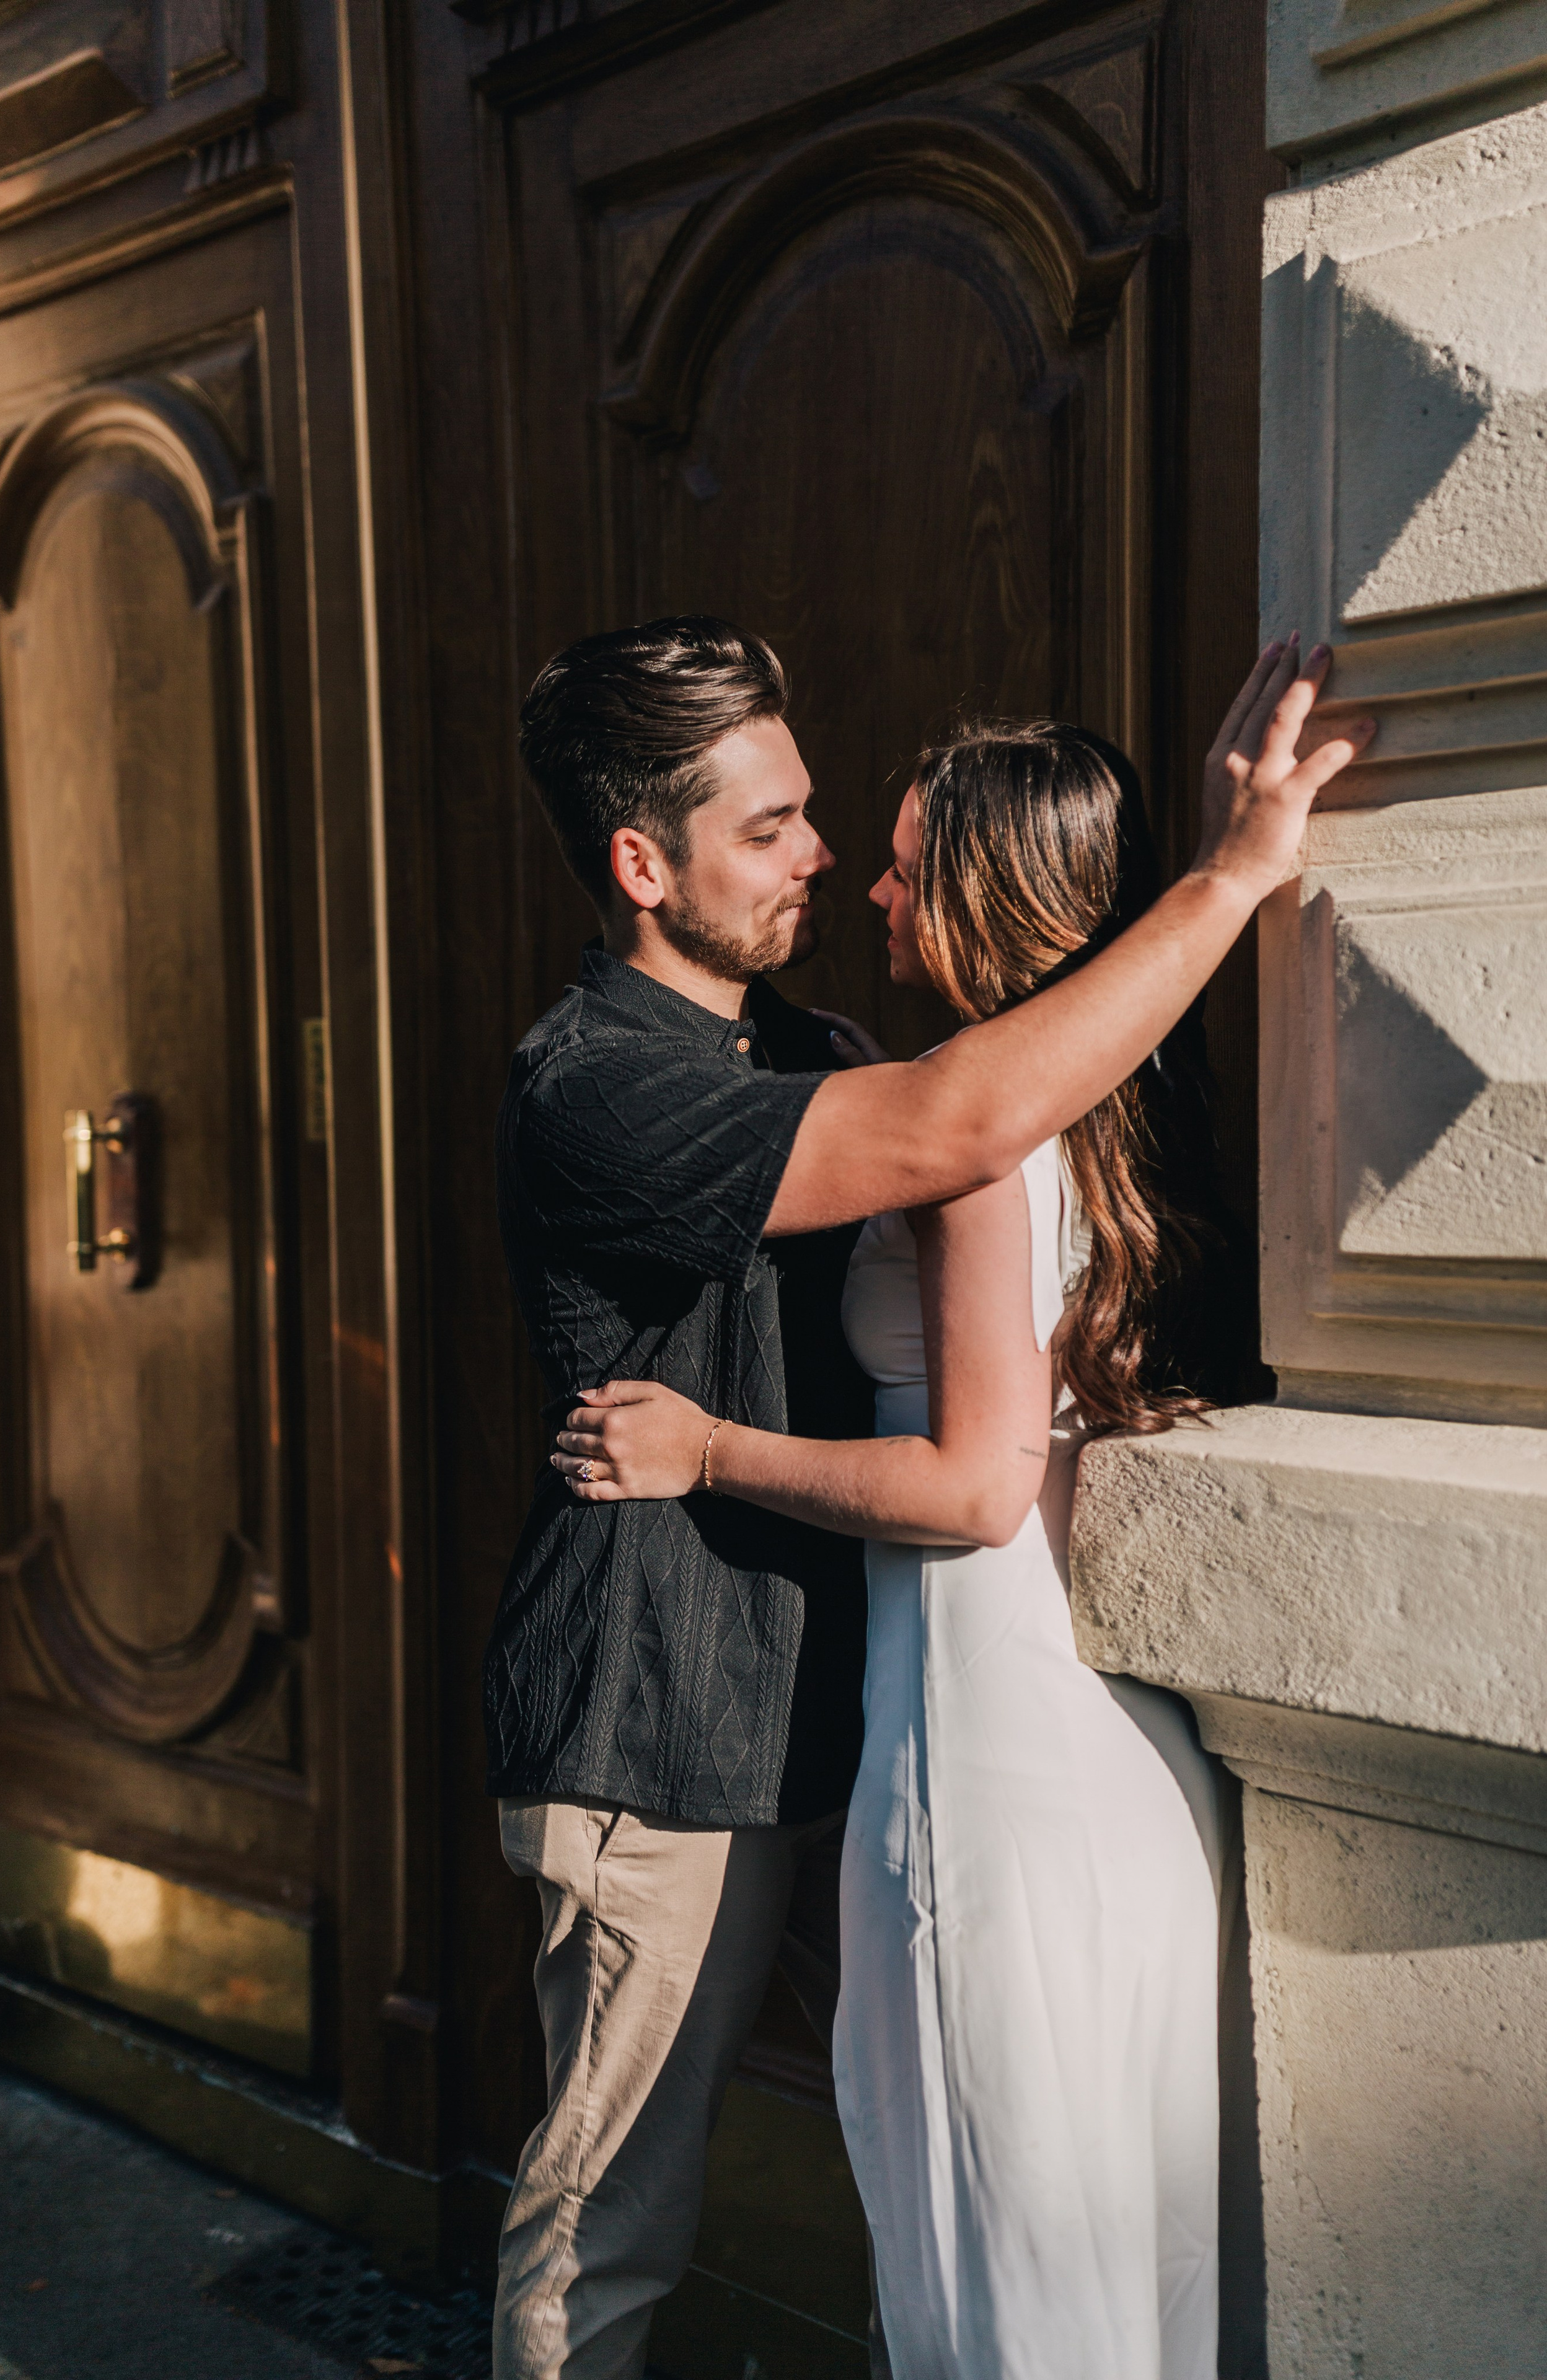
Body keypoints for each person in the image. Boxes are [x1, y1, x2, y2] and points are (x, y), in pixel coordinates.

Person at [489, 616, 1372, 2380]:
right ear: (643, 867)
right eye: (771, 830)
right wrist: (1226, 878)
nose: (821, 857)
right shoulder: (595, 1090)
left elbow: (1009, 1124)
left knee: (966, 2167)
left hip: (876, 1704)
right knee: (611, 2227)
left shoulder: (810, 1042)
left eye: (816, 816)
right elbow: (964, 1124)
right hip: (668, 1736)